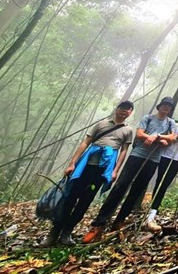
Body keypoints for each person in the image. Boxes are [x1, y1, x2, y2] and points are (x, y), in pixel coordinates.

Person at [40, 100, 134, 246]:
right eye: (122, 108)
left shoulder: (128, 130)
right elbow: (86, 142)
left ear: (130, 113)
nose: (124, 111)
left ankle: (67, 232)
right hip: (85, 166)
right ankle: (54, 233)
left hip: (102, 170)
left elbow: (123, 151)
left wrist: (115, 171)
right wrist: (72, 163)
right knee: (69, 198)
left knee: (85, 202)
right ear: (117, 109)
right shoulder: (102, 124)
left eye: (127, 109)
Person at [83, 97, 176, 243]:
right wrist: (159, 139)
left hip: (153, 159)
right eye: (164, 105)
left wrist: (156, 137)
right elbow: (139, 134)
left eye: (169, 106)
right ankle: (99, 224)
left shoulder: (170, 122)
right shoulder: (148, 118)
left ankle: (119, 221)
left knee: (136, 191)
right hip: (137, 155)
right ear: (159, 106)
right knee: (120, 186)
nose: (166, 108)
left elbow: (172, 138)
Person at [145, 107, 178, 232]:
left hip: (177, 159)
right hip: (164, 155)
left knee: (165, 184)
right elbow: (166, 139)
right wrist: (175, 137)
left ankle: (153, 211)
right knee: (159, 182)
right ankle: (151, 212)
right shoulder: (174, 125)